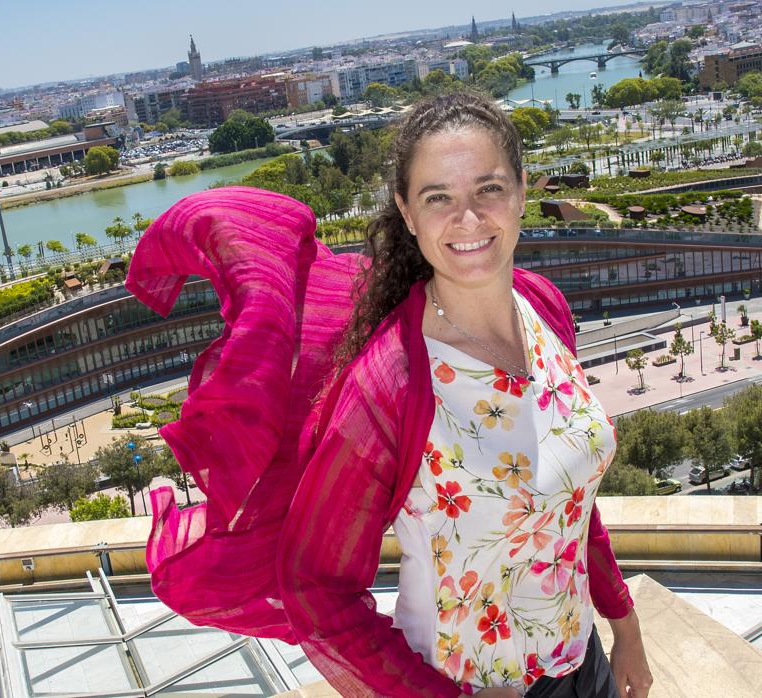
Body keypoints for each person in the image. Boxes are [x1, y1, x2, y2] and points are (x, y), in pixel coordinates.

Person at [126, 91, 652, 697]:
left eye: (489, 188)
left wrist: (625, 626)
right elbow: (315, 587)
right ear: (406, 212)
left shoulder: (545, 307)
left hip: (583, 665)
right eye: (439, 198)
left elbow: (569, 500)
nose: (470, 219)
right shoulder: (391, 385)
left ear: (522, 189)